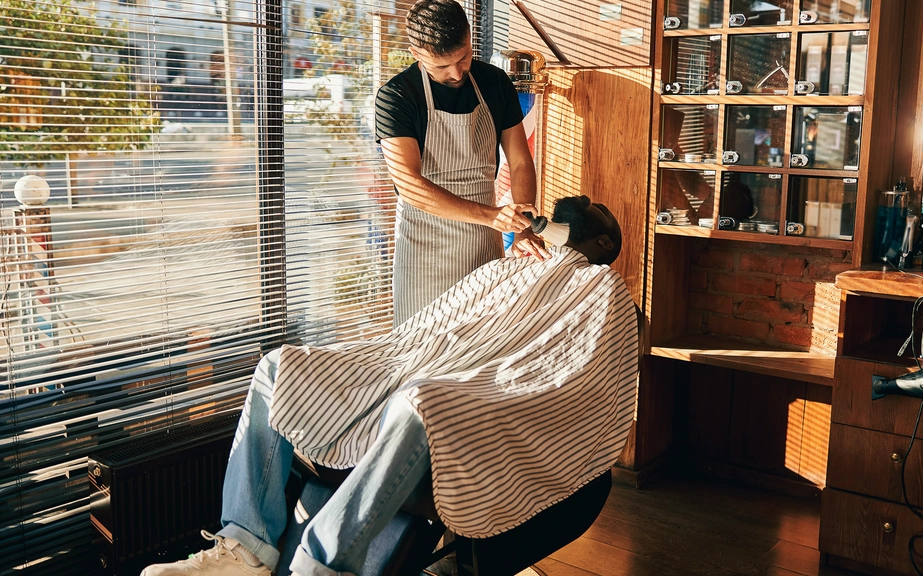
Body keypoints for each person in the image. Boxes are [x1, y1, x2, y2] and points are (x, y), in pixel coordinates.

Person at [140, 195, 634, 576]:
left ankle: (323, 564)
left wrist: (452, 377)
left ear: (604, 244)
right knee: (278, 365)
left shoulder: (607, 288)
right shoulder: (516, 264)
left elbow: (577, 370)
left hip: (480, 389)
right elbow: (428, 328)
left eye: (596, 210)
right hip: (412, 362)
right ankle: (244, 549)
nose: (585, 203)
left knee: (419, 399)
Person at [375, 0, 547, 327]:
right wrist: (493, 216)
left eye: (464, 56)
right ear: (416, 52)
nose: (457, 73)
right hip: (425, 257)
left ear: (470, 38)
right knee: (421, 355)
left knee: (479, 350)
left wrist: (523, 223)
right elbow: (411, 187)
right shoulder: (396, 97)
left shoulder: (495, 84)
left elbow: (521, 160)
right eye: (442, 66)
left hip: (484, 249)